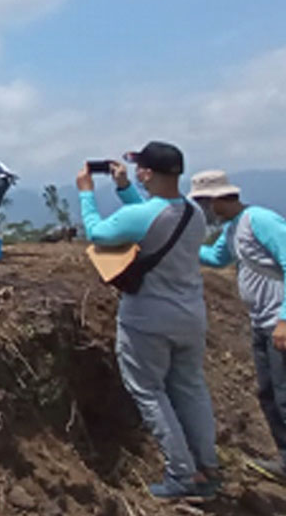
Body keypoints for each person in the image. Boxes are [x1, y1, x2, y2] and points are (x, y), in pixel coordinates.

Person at [78, 142, 218, 499]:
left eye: (139, 168)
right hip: (191, 316)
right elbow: (156, 220)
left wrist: (86, 196)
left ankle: (181, 475)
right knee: (191, 388)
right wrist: (125, 189)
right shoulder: (193, 213)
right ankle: (207, 469)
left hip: (147, 318)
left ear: (147, 173)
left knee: (149, 392)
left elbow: (99, 233)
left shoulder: (144, 215)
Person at [190, 170, 286, 482]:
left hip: (278, 322)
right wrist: (181, 245)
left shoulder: (260, 220)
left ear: (218, 199)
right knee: (269, 393)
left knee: (284, 395)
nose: (205, 210)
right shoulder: (234, 228)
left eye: (205, 203)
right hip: (262, 323)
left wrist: (285, 318)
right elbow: (217, 258)